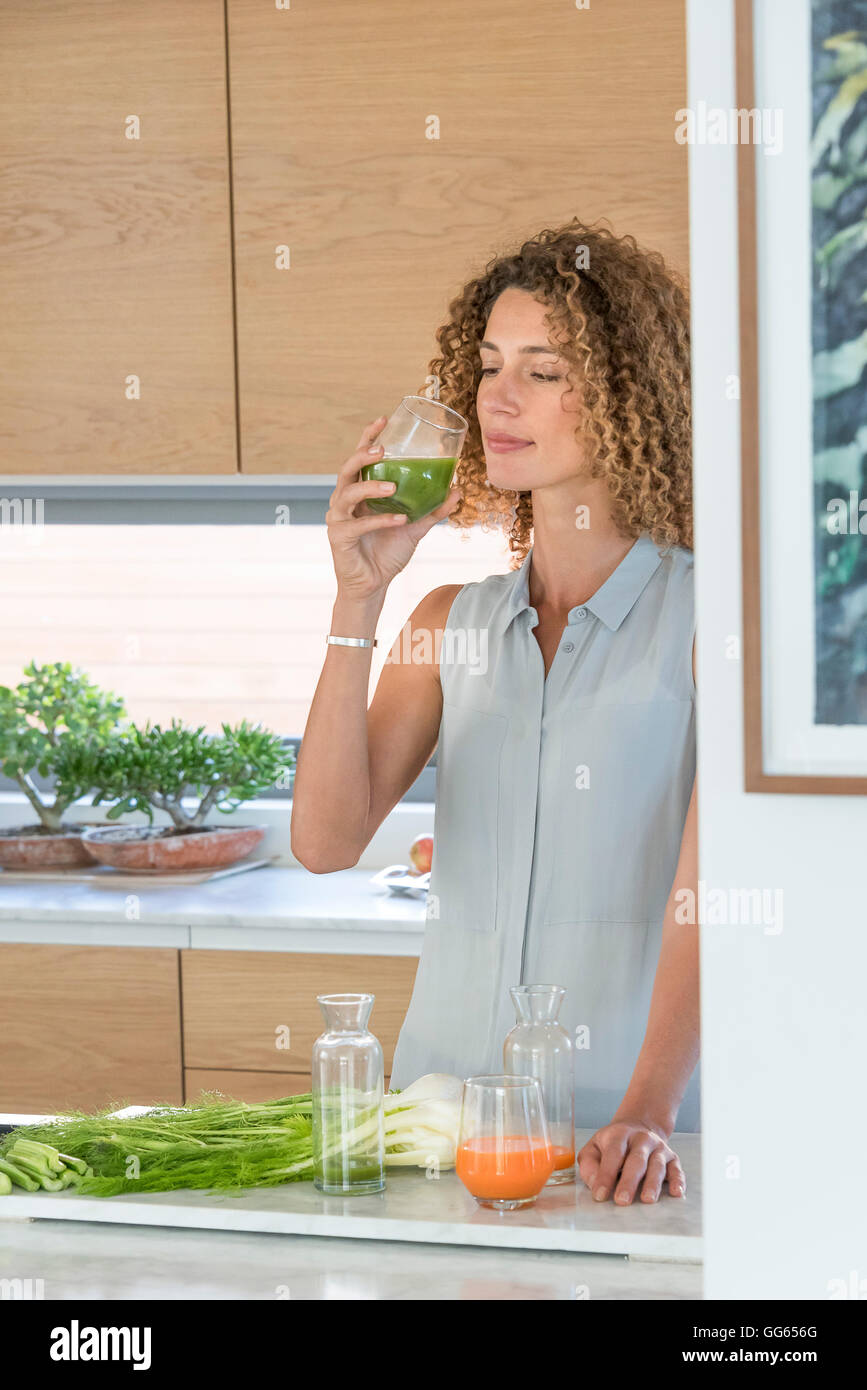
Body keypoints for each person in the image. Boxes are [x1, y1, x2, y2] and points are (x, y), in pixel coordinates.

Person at [291, 218, 698, 1206]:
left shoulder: (715, 625)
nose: (499, 398)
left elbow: (711, 898)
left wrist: (646, 1108)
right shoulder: (447, 624)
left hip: (625, 1143)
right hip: (440, 1128)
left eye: (545, 370)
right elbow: (324, 840)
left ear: (627, 395)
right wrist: (359, 598)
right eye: (489, 365)